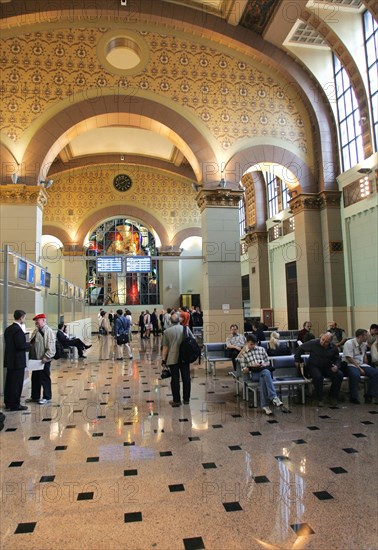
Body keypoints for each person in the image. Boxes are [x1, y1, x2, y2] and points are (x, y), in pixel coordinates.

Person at [237, 334, 283, 415]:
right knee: (266, 373)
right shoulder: (243, 355)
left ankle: (265, 406)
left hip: (264, 371)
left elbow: (268, 361)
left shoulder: (261, 349)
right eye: (251, 344)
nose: (253, 346)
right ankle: (273, 397)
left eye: (255, 344)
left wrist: (263, 364)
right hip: (254, 374)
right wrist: (252, 366)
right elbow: (244, 370)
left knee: (264, 376)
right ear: (247, 343)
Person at [295, 332, 343, 407]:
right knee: (318, 377)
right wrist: (298, 360)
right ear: (320, 338)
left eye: (326, 341)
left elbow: (337, 359)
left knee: (339, 375)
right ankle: (320, 398)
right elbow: (300, 348)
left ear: (330, 342)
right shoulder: (313, 343)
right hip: (314, 366)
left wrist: (336, 366)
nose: (323, 342)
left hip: (327, 366)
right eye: (322, 340)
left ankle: (332, 396)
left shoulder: (333, 347)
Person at [161, 313, 193, 407]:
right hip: (185, 357)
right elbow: (192, 340)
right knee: (186, 378)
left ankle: (177, 400)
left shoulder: (167, 332)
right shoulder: (186, 329)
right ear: (179, 320)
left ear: (170, 321)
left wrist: (163, 360)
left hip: (172, 358)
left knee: (175, 379)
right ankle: (186, 399)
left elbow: (165, 347)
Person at [3, 309, 31, 411]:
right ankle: (15, 404)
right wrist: (29, 344)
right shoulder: (18, 330)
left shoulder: (8, 329)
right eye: (24, 317)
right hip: (17, 361)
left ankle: (8, 402)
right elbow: (20, 345)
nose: (24, 319)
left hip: (10, 360)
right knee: (17, 383)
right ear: (21, 318)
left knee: (9, 382)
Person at [343, 329, 378, 404]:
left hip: (361, 364)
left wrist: (365, 357)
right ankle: (353, 397)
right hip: (351, 364)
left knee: (375, 373)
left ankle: (370, 394)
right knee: (355, 375)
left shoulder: (363, 344)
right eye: (366, 335)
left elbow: (364, 352)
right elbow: (349, 358)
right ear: (361, 336)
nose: (367, 337)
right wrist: (359, 368)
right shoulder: (349, 343)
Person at [27, 313, 56, 405]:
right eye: (35, 321)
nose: (36, 322)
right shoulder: (36, 331)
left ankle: (46, 397)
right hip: (36, 360)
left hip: (44, 359)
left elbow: (51, 347)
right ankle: (35, 396)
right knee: (35, 378)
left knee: (44, 378)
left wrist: (46, 356)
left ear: (43, 320)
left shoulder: (48, 331)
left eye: (38, 320)